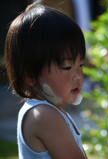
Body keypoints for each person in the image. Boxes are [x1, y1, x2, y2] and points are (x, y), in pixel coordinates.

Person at [4, 1, 88, 159]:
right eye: (67, 67)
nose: (78, 75)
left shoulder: (49, 110)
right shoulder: (45, 115)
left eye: (81, 65)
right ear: (30, 75)